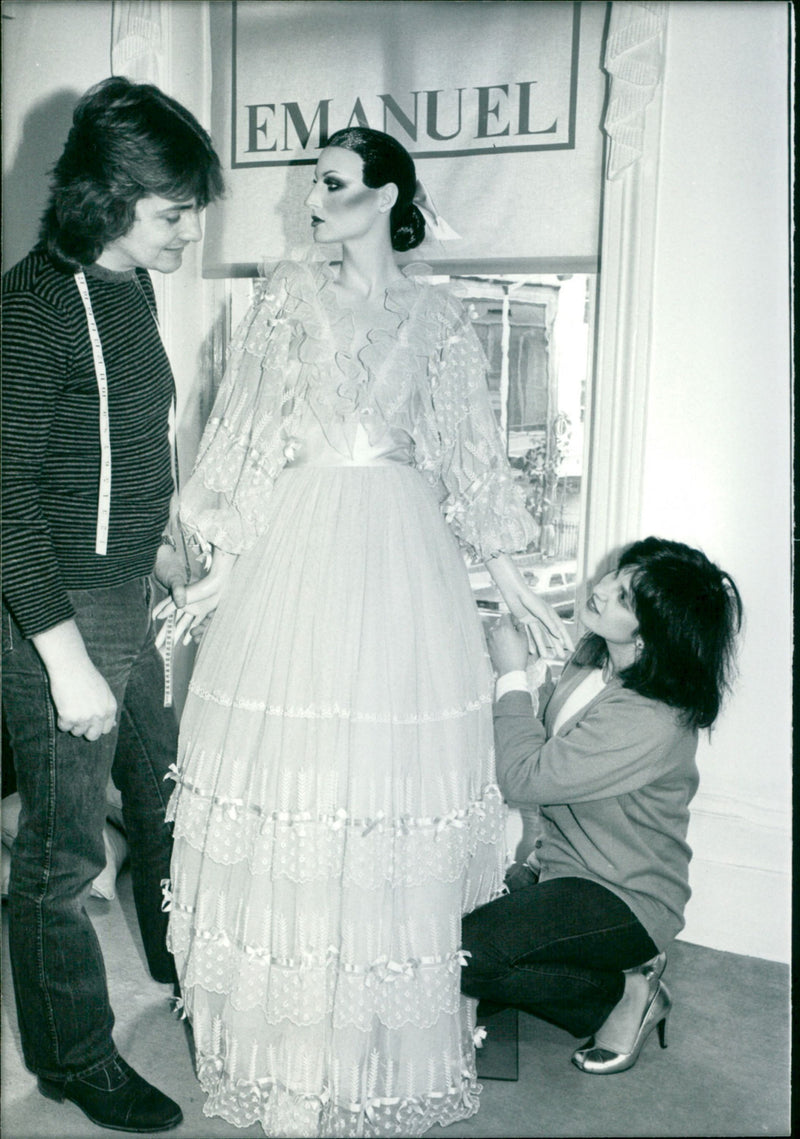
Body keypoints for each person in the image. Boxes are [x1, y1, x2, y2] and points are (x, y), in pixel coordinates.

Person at [154, 126, 571, 1137]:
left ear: (386, 196)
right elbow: (248, 436)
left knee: (379, 792)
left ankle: (365, 1052)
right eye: (310, 183)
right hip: (296, 555)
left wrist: (510, 580)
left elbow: (469, 455)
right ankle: (292, 1062)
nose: (312, 199)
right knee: (300, 784)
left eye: (333, 182)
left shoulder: (440, 315)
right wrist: (221, 567)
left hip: (401, 565)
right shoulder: (284, 297)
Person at [1, 76, 223, 1133]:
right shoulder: (29, 310)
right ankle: (73, 1057)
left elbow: (133, 439)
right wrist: (64, 661)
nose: (190, 230)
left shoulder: (132, 286)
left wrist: (164, 540)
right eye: (173, 211)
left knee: (167, 791)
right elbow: (6, 504)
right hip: (60, 610)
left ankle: (184, 974)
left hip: (131, 586)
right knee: (62, 856)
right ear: (108, 197)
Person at [461, 537, 742, 1074]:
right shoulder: (597, 657)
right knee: (450, 956)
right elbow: (550, 748)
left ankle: (624, 993)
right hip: (563, 869)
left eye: (625, 597)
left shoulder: (650, 715)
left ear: (652, 632)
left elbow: (524, 777)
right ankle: (594, 972)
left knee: (466, 956)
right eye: (617, 575)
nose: (602, 588)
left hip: (625, 896)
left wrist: (511, 675)